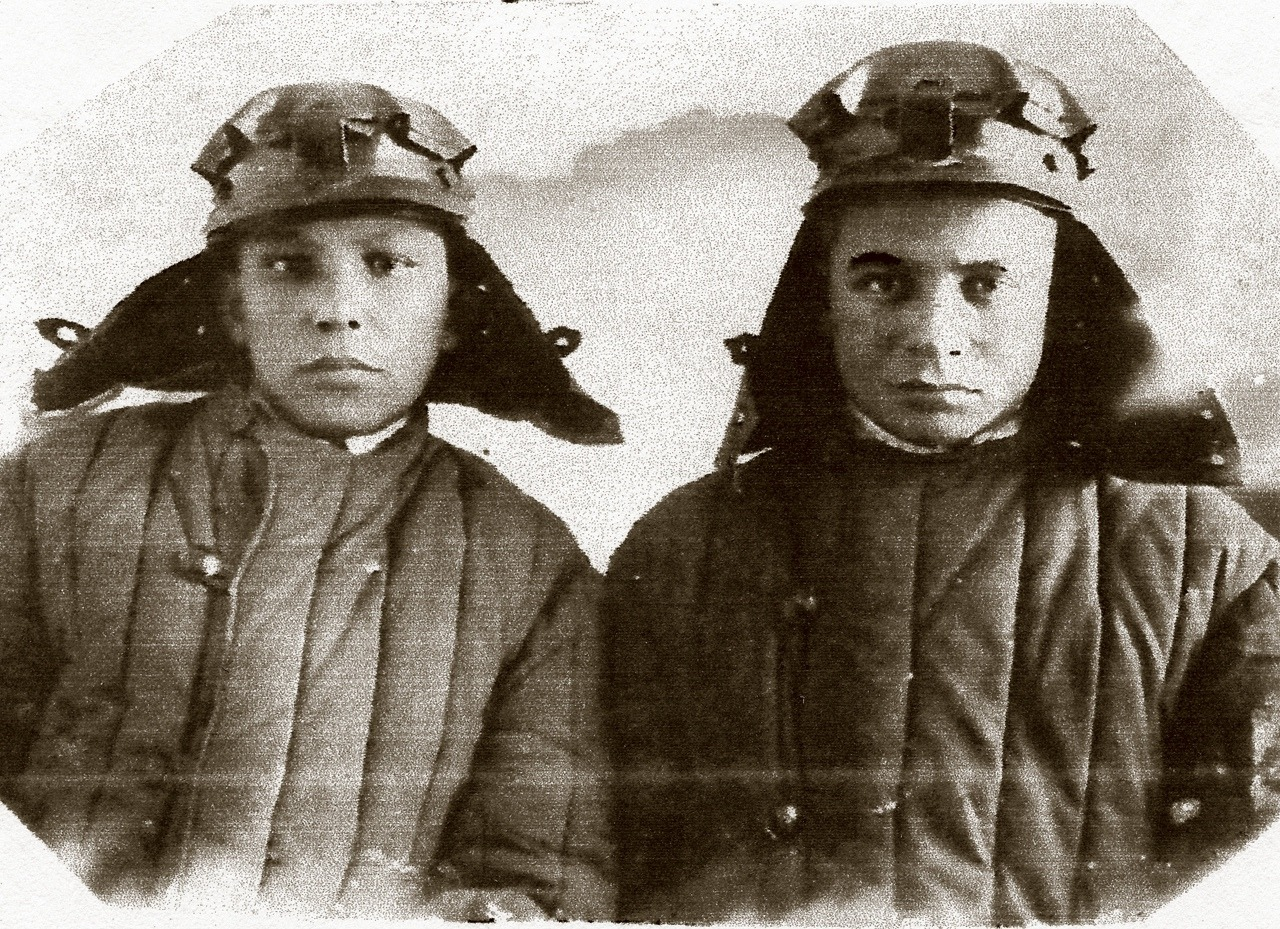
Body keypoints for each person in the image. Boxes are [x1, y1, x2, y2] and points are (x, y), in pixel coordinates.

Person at [602, 41, 1280, 925]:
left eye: (986, 284)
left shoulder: (1209, 561)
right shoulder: (680, 549)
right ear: (822, 301)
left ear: (1057, 302)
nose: (933, 333)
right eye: (882, 282)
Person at [0, 82, 620, 919]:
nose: (337, 311)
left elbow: (539, 874)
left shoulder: (529, 563)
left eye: (386, 264)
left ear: (450, 314)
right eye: (290, 266)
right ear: (235, 308)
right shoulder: (54, 483)